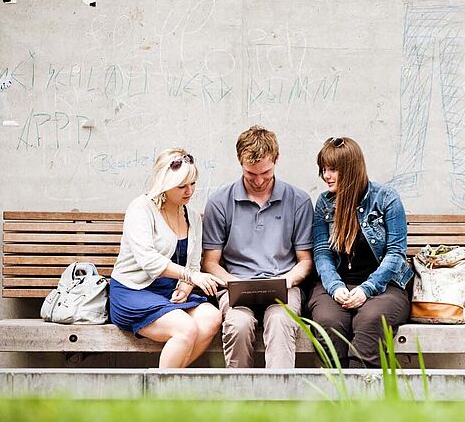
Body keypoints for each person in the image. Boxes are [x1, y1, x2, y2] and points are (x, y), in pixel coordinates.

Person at [202, 126, 314, 368]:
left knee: (281, 321)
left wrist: (287, 280)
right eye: (250, 174)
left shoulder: (299, 200)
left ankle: (278, 400)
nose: (259, 180)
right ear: (239, 162)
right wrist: (232, 282)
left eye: (266, 172)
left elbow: (305, 260)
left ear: (276, 159)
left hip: (283, 284)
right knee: (238, 325)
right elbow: (210, 262)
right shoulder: (220, 202)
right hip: (236, 285)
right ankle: (241, 400)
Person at [109, 148, 224, 368]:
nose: (189, 191)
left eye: (192, 183)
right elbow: (148, 260)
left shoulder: (192, 216)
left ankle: (165, 385)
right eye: (181, 186)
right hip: (133, 292)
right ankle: (163, 395)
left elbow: (192, 261)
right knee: (185, 328)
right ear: (163, 183)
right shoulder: (141, 208)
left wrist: (186, 286)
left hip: (168, 294)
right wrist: (191, 276)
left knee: (211, 318)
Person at [308, 137, 414, 368]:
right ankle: (335, 397)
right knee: (329, 322)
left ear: (351, 169)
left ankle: (362, 399)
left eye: (333, 169)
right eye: (324, 169)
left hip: (385, 287)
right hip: (336, 286)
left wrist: (367, 289)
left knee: (370, 320)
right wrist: (335, 287)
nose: (326, 175)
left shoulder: (386, 198)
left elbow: (396, 253)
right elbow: (322, 252)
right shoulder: (324, 204)